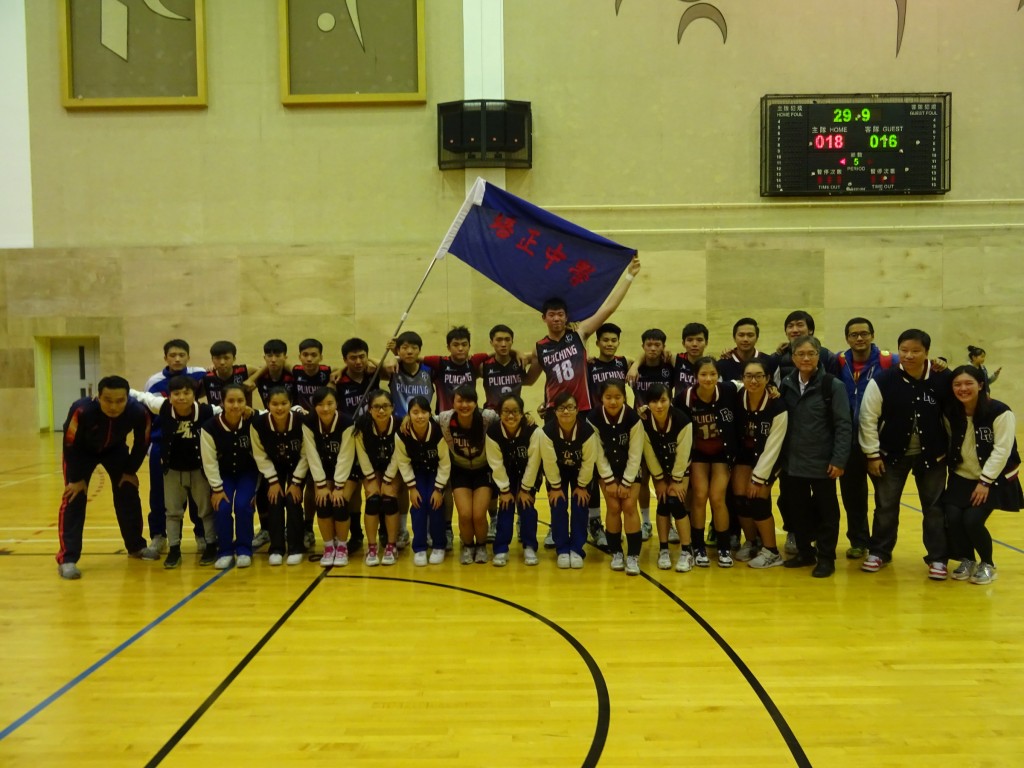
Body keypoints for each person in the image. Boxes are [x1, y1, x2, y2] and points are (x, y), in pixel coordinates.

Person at [859, 329, 952, 579]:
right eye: (904, 350)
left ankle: (938, 558)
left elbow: (954, 416)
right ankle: (879, 552)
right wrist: (872, 454)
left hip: (933, 457)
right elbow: (868, 418)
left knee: (934, 508)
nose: (909, 355)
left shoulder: (943, 378)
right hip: (890, 456)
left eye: (916, 351)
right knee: (885, 506)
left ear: (927, 352)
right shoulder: (883, 380)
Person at [56, 376, 157, 579]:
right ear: (98, 397)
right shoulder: (81, 410)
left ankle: (136, 546)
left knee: (128, 490)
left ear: (128, 398)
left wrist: (130, 470)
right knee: (74, 497)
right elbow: (69, 442)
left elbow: (143, 442)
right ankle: (67, 559)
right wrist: (75, 478)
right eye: (108, 400)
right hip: (81, 453)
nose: (113, 406)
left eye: (120, 401)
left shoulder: (138, 411)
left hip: (115, 450)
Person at [779, 336, 851, 578]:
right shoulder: (786, 384)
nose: (806, 358)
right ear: (793, 357)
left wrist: (839, 460)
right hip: (793, 462)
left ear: (819, 356)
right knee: (796, 509)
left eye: (811, 353)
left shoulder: (833, 385)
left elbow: (844, 425)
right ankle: (805, 552)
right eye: (800, 354)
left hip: (823, 463)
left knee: (827, 513)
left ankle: (826, 557)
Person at [943, 366, 1023, 585]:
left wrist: (985, 481)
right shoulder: (951, 411)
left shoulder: (1000, 412)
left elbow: (1002, 450)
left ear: (980, 385)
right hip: (962, 476)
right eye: (957, 384)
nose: (963, 388)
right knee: (953, 517)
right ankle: (967, 559)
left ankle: (987, 563)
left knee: (972, 520)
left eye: (968, 383)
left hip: (993, 478)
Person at [130, 376, 219, 568]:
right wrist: (122, 391)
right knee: (172, 512)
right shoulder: (163, 407)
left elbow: (230, 409)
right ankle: (174, 549)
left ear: (194, 395)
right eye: (176, 393)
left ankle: (211, 545)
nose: (182, 397)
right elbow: (142, 396)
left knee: (205, 511)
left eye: (186, 393)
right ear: (169, 396)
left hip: (199, 470)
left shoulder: (206, 411)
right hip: (172, 470)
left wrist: (251, 411)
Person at [834, 318, 898, 559]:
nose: (859, 338)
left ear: (872, 335)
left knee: (886, 500)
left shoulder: (890, 362)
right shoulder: (838, 362)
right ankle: (859, 541)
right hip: (849, 443)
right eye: (854, 335)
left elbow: (919, 366)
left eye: (864, 333)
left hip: (882, 443)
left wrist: (939, 363)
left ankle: (881, 548)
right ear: (847, 338)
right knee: (853, 498)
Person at [143, 339, 207, 554]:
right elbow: (147, 414)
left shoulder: (201, 375)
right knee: (160, 495)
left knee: (198, 494)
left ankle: (202, 535)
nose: (177, 359)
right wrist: (150, 446)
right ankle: (159, 536)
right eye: (172, 355)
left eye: (181, 355)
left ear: (188, 357)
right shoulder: (154, 382)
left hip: (193, 443)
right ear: (165, 358)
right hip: (163, 446)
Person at [677, 356, 738, 568]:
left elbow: (749, 384)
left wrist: (772, 389)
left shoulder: (728, 390)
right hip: (698, 454)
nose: (708, 378)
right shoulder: (685, 397)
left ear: (718, 375)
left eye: (713, 374)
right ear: (695, 376)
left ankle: (724, 546)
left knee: (718, 497)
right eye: (703, 374)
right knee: (700, 496)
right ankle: (698, 546)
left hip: (722, 453)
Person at [731, 360, 788, 569]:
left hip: (770, 456)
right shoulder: (738, 395)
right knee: (740, 497)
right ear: (742, 378)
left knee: (757, 499)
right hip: (745, 454)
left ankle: (772, 551)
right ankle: (752, 541)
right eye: (749, 376)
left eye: (759, 376)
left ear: (767, 379)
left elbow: (774, 446)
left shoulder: (777, 406)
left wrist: (758, 478)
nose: (753, 381)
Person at [386, 395, 451, 566]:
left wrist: (439, 489)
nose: (420, 416)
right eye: (415, 412)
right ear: (409, 415)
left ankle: (439, 545)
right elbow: (403, 462)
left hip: (436, 472)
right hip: (417, 473)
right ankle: (420, 547)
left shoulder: (438, 432)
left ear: (430, 413)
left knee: (435, 503)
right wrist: (412, 488)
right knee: (418, 504)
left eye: (423, 412)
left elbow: (445, 463)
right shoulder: (402, 434)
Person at [200, 384, 260, 569]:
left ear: (246, 402)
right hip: (223, 474)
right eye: (231, 401)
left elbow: (275, 410)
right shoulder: (210, 427)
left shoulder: (253, 421)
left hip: (247, 473)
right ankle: (225, 551)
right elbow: (209, 462)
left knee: (242, 505)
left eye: (240, 401)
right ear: (222, 402)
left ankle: (244, 549)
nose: (235, 405)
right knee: (222, 506)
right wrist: (216, 489)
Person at [589, 381, 646, 575]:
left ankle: (633, 556)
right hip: (607, 470)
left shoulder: (633, 418)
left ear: (624, 398)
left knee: (629, 506)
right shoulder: (593, 418)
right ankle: (617, 553)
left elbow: (636, 454)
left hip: (631, 468)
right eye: (608, 397)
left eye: (617, 397)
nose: (613, 402)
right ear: (601, 398)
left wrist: (627, 481)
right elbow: (597, 453)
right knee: (613, 507)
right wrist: (609, 480)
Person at [243, 338, 294, 550]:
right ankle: (266, 529)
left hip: (291, 431)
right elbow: (247, 382)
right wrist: (259, 373)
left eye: (278, 355)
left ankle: (296, 529)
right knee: (265, 487)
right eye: (269, 356)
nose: (273, 360)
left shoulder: (293, 374)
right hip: (268, 430)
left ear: (285, 356)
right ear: (264, 357)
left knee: (293, 488)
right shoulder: (261, 376)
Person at [439, 384, 499, 564]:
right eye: (460, 401)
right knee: (465, 515)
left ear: (476, 403)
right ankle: (467, 546)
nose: (464, 405)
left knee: (478, 515)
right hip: (460, 470)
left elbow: (509, 416)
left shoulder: (488, 418)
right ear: (453, 403)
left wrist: (527, 417)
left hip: (483, 469)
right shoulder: (445, 419)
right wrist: (406, 419)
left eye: (469, 401)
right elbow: (421, 417)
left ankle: (481, 546)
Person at [539, 392, 598, 569]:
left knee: (580, 504)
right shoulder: (547, 432)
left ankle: (577, 549)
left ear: (577, 410)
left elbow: (589, 462)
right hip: (557, 473)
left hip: (580, 473)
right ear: (555, 411)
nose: (566, 411)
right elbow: (549, 462)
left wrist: (582, 486)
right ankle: (562, 549)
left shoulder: (587, 431)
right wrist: (555, 487)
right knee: (558, 505)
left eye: (570, 407)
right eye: (562, 408)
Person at [251, 386, 309, 566]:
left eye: (284, 403)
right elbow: (260, 455)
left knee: (293, 499)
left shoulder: (302, 421)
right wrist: (273, 481)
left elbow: (306, 454)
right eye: (274, 404)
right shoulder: (258, 424)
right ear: (268, 404)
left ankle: (296, 547)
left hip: (298, 465)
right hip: (273, 466)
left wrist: (296, 482)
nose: (279, 408)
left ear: (290, 403)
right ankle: (276, 548)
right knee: (274, 499)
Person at [640, 383, 694, 572]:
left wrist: (677, 480)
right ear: (648, 404)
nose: (659, 406)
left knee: (676, 502)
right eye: (654, 401)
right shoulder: (644, 422)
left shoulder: (682, 421)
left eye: (663, 400)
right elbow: (649, 454)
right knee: (663, 502)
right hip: (660, 469)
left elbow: (684, 454)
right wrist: (659, 480)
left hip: (681, 468)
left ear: (670, 400)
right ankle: (663, 549)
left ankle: (687, 551)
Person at [485, 393, 544, 566]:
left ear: (522, 413)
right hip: (505, 474)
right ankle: (501, 548)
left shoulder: (533, 431)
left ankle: (529, 546)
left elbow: (534, 463)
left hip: (529, 474)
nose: (510, 416)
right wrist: (504, 490)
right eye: (506, 411)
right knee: (506, 506)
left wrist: (525, 489)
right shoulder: (493, 432)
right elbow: (496, 464)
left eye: (515, 411)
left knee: (527, 506)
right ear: (499, 413)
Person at [302, 387, 357, 567]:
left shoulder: (347, 422)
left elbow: (346, 456)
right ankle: (328, 547)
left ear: (337, 404)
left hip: (347, 470)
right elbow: (311, 454)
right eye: (320, 404)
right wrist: (321, 484)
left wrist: (339, 486)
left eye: (329, 403)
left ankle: (341, 546)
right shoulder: (308, 422)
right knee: (323, 502)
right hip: (323, 470)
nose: (325, 408)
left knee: (339, 503)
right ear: (314, 406)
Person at [631, 328, 675, 542]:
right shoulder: (634, 368)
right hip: (641, 429)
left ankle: (671, 523)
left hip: (665, 429)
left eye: (657, 345)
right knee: (644, 478)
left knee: (666, 478)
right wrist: (635, 364)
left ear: (663, 347)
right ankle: (646, 522)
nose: (653, 348)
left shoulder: (669, 368)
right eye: (649, 344)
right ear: (643, 346)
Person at [353, 389, 401, 566]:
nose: (381, 411)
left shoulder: (400, 425)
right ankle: (372, 546)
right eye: (377, 407)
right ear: (370, 409)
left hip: (393, 467)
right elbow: (361, 452)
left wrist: (387, 478)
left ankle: (391, 545)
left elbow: (398, 454)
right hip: (371, 467)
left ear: (392, 407)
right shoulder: (362, 425)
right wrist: (371, 477)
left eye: (385, 406)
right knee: (372, 498)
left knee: (389, 497)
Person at [204, 340, 251, 407]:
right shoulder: (207, 377)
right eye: (217, 358)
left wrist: (251, 379)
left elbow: (262, 370)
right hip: (216, 413)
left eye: (226, 358)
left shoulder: (242, 371)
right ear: (212, 359)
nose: (222, 362)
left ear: (234, 359)